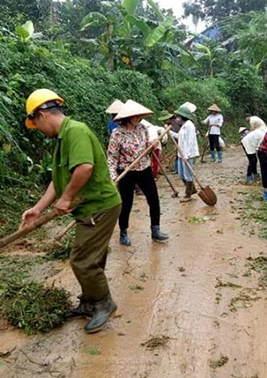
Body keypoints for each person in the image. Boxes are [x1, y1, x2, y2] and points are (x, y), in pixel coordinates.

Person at [21, 89, 121, 334]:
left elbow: (85, 168)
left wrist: (66, 199)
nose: (40, 132)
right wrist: (37, 209)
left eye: (36, 125)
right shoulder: (62, 140)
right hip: (89, 207)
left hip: (100, 205)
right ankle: (90, 302)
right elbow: (58, 180)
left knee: (82, 260)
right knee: (90, 257)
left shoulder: (75, 131)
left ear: (42, 116)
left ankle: (104, 304)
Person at [107, 100, 169, 246]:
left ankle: (156, 230)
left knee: (154, 198)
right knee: (126, 203)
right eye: (133, 116)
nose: (136, 118)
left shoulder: (142, 129)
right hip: (126, 171)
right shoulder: (117, 134)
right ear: (126, 117)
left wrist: (152, 145)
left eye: (138, 115)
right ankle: (123, 233)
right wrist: (113, 177)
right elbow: (111, 157)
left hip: (144, 168)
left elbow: (145, 147)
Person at [170, 105, 200, 201]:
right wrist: (169, 132)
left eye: (178, 117)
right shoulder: (183, 126)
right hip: (181, 153)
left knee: (187, 175)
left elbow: (190, 141)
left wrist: (186, 155)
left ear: (182, 117)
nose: (176, 119)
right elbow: (179, 136)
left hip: (187, 154)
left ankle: (188, 195)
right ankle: (192, 189)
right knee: (181, 174)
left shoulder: (189, 126)